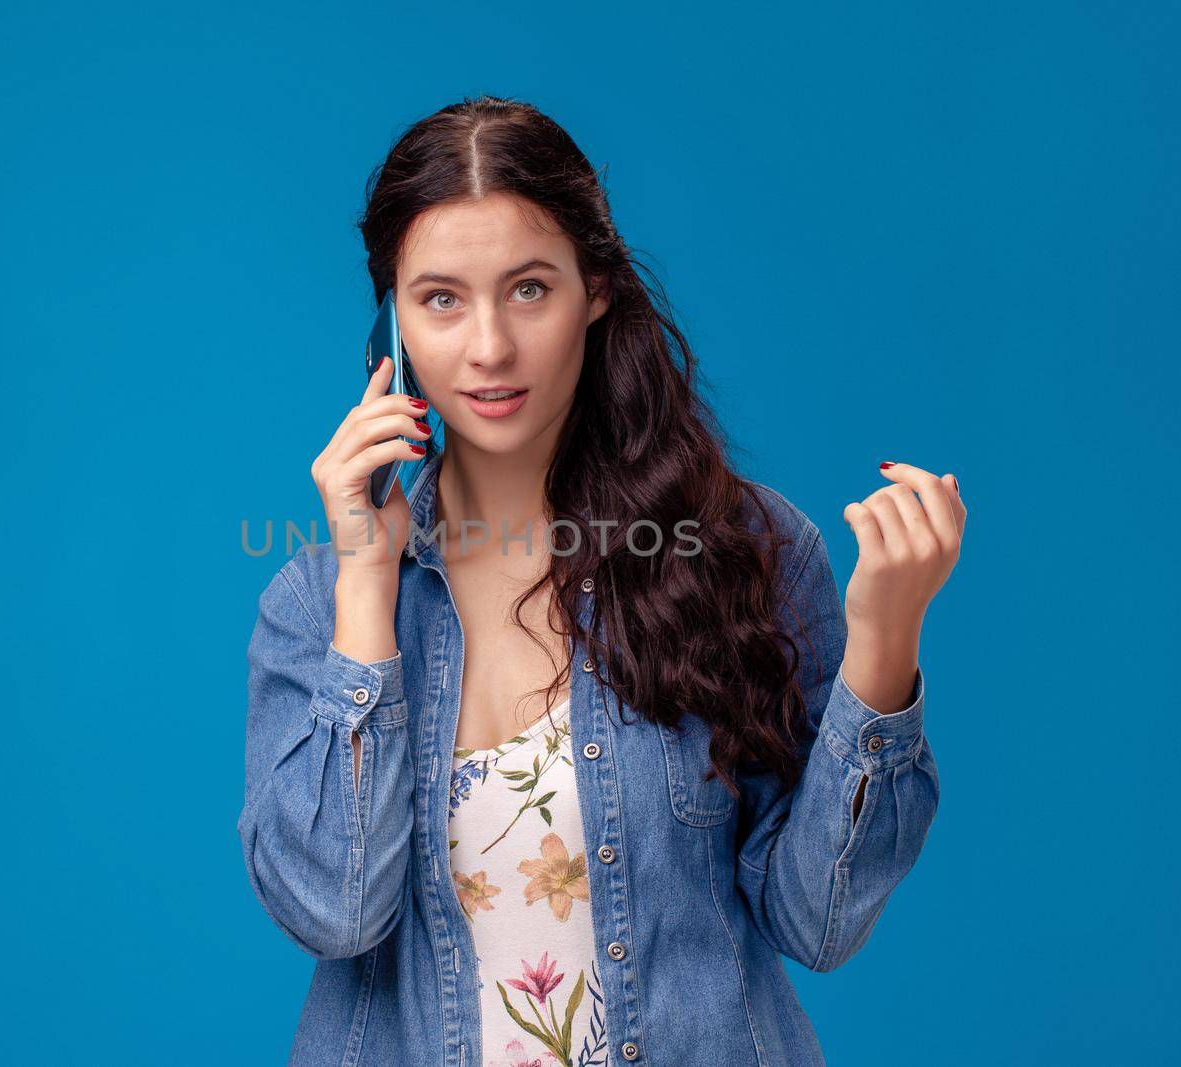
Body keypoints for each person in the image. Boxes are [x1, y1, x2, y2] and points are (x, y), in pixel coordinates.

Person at [238, 94, 962, 1067]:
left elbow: (817, 921)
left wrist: (883, 641)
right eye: (441, 298)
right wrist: (366, 586)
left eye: (528, 289)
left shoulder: (742, 546)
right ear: (392, 325)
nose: (488, 345)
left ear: (597, 289)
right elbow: (334, 912)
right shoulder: (311, 603)